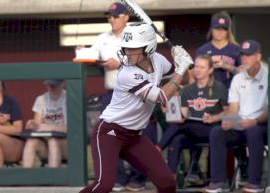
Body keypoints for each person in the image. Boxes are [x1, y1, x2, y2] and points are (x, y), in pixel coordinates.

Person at [79, 22, 194, 193]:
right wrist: (180, 69)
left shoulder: (159, 60)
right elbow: (161, 98)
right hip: (110, 132)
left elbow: (185, 80)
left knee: (166, 182)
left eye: (134, 48)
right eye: (126, 48)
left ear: (149, 47)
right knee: (103, 185)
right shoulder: (127, 73)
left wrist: (181, 64)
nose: (128, 52)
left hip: (134, 135)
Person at [203, 40, 268, 193]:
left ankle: (254, 183)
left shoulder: (269, 76)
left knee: (254, 131)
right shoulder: (238, 79)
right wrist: (229, 121)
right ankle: (218, 182)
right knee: (217, 132)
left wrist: (255, 121)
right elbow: (233, 109)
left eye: (248, 55)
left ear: (258, 56)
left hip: (262, 124)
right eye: (243, 55)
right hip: (240, 124)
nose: (244, 59)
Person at [156, 55, 228, 183]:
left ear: (210, 70)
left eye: (202, 67)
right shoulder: (188, 90)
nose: (197, 70)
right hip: (193, 130)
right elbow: (184, 115)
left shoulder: (219, 87)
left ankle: (158, 148)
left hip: (212, 130)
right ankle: (170, 178)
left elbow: (229, 112)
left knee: (179, 127)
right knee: (177, 139)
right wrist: (174, 113)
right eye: (196, 67)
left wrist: (214, 117)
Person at [22, 79, 67, 168]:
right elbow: (38, 125)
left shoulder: (68, 98)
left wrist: (49, 127)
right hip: (46, 143)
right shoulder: (41, 99)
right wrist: (33, 125)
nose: (51, 88)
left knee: (53, 140)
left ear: (62, 84)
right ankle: (26, 179)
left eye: (54, 85)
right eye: (48, 85)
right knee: (31, 142)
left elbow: (69, 128)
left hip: (66, 143)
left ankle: (53, 178)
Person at [195, 11, 241, 89]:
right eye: (217, 28)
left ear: (228, 31)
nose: (220, 32)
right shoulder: (202, 50)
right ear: (212, 29)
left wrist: (227, 66)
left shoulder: (236, 49)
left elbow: (245, 74)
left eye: (223, 29)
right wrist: (208, 62)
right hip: (208, 91)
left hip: (231, 91)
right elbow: (194, 74)